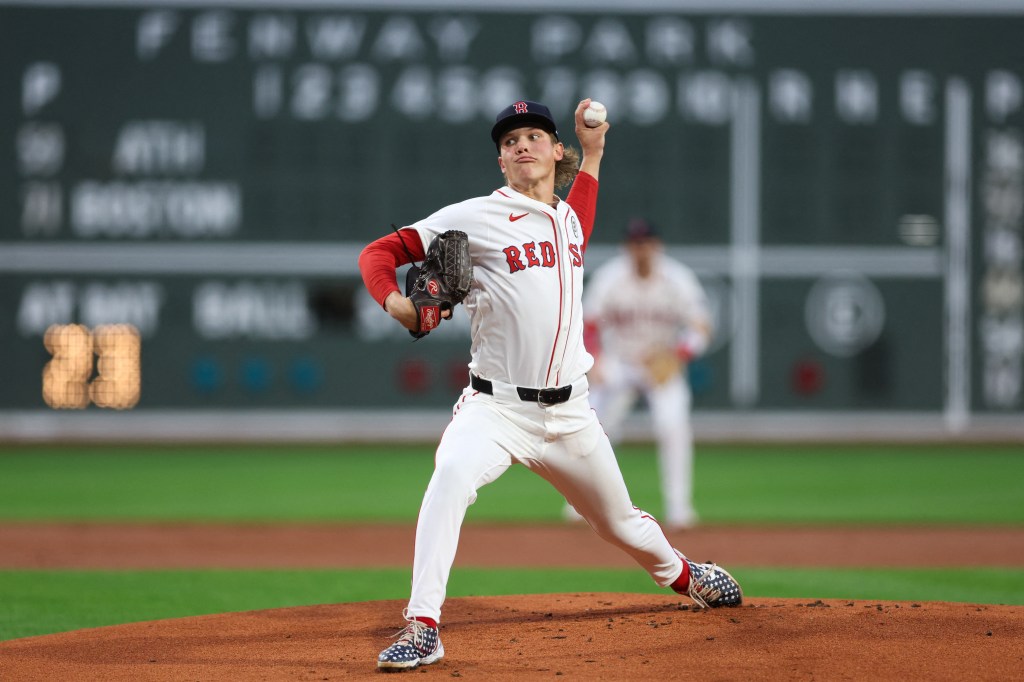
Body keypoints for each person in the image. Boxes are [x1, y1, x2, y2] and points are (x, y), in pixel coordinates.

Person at [358, 98, 742, 673]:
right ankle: (423, 625)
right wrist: (396, 304)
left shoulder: (566, 220)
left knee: (619, 523)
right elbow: (380, 252)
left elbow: (580, 218)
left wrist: (596, 153)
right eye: (510, 142)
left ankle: (685, 574)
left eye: (534, 136)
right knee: (451, 476)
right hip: (496, 408)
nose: (521, 146)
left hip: (573, 415)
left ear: (554, 152)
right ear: (501, 162)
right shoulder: (476, 216)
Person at [565, 218, 712, 530]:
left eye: (645, 243)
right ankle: (579, 504)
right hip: (620, 362)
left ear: (657, 246)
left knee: (673, 426)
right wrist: (597, 361)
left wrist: (679, 356)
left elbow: (701, 327)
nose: (640, 249)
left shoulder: (678, 279)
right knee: (592, 427)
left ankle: (679, 508)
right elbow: (588, 324)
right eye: (635, 244)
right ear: (626, 247)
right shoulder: (610, 278)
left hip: (661, 365)